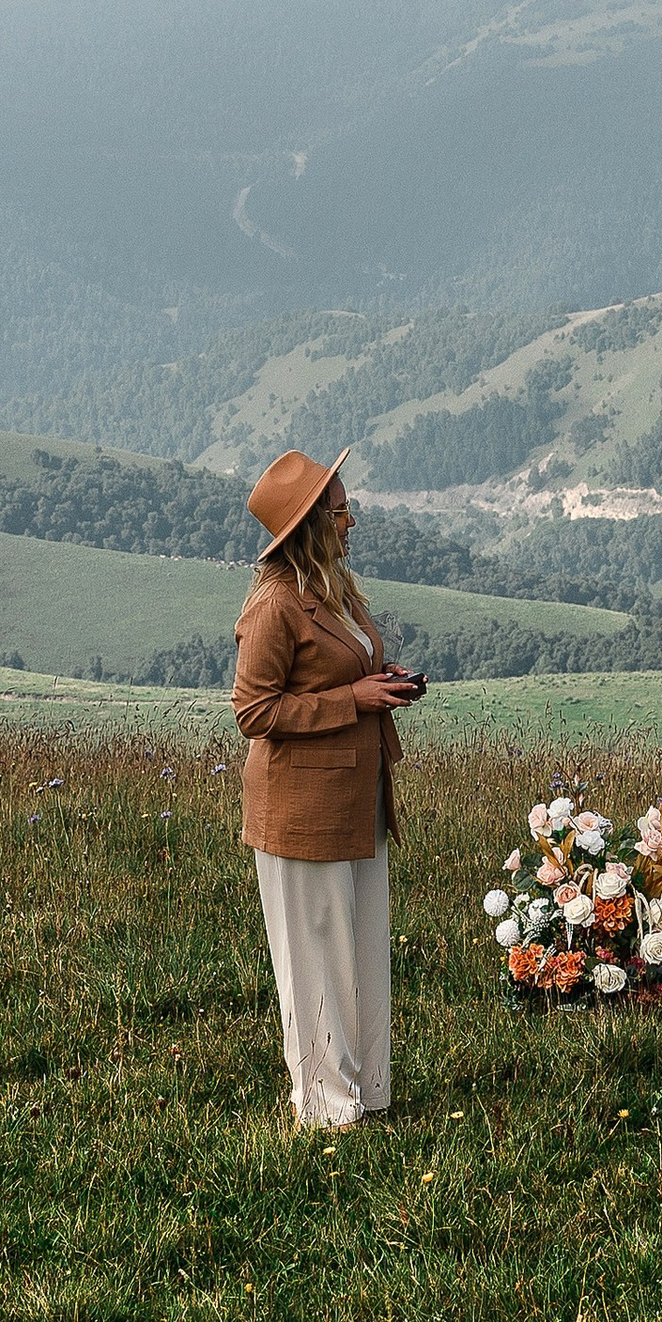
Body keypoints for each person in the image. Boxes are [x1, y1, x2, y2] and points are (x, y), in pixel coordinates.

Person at [233, 448, 420, 1128]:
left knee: (360, 948)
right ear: (312, 523)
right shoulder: (274, 606)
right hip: (301, 809)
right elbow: (254, 711)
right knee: (315, 955)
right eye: (341, 512)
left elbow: (340, 670)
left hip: (356, 797)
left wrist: (379, 681)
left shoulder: (333, 590)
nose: (351, 522)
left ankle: (367, 1090)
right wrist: (352, 700)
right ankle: (324, 1105)